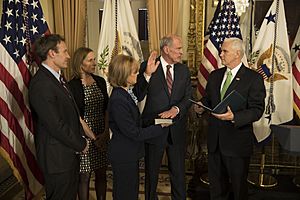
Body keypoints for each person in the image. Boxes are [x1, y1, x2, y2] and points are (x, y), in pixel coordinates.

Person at [195, 37, 266, 200]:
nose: (221, 54)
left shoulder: (253, 79)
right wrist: (200, 106)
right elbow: (208, 100)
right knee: (216, 189)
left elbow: (257, 110)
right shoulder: (214, 76)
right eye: (221, 50)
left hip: (237, 144)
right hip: (215, 143)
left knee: (238, 189)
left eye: (225, 51)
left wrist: (235, 116)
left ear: (238, 54)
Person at [29, 34, 88, 200]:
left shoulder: (57, 79)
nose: (69, 56)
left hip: (66, 156)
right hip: (57, 160)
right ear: (51, 54)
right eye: (65, 51)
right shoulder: (42, 84)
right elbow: (55, 125)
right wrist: (80, 144)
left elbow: (70, 115)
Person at [135, 34, 192, 200]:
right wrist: (146, 74)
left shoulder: (183, 70)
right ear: (167, 49)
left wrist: (176, 109)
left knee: (179, 174)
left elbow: (188, 97)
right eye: (179, 48)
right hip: (153, 130)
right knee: (151, 174)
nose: (182, 52)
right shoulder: (148, 66)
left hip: (177, 129)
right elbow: (138, 94)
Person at [107, 53, 170, 200]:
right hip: (124, 154)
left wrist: (148, 73)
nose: (137, 74)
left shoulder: (125, 93)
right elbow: (134, 132)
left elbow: (138, 93)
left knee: (130, 191)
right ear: (124, 75)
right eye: (134, 72)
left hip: (128, 153)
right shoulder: (118, 100)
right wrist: (160, 127)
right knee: (125, 194)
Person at [68, 47, 109, 200]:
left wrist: (104, 134)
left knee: (101, 173)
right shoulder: (71, 86)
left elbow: (107, 108)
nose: (95, 63)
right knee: (84, 177)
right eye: (90, 60)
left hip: (102, 133)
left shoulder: (100, 81)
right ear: (80, 63)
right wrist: (93, 138)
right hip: (84, 136)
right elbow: (76, 117)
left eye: (94, 59)